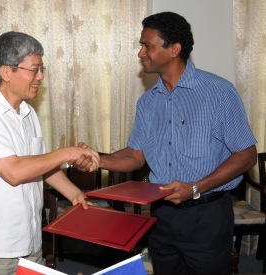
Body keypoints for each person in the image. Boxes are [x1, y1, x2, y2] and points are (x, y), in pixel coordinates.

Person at [77, 12, 257, 275]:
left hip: (207, 215)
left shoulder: (218, 92)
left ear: (174, 49)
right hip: (161, 215)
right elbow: (135, 155)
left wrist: (195, 188)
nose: (140, 53)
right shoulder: (148, 102)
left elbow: (246, 154)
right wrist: (98, 159)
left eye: (147, 45)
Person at [0, 31, 99, 275]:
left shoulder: (28, 113)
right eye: (34, 69)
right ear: (6, 72)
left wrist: (75, 194)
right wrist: (67, 152)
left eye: (42, 69)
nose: (40, 77)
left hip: (30, 245)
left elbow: (41, 166)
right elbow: (14, 171)